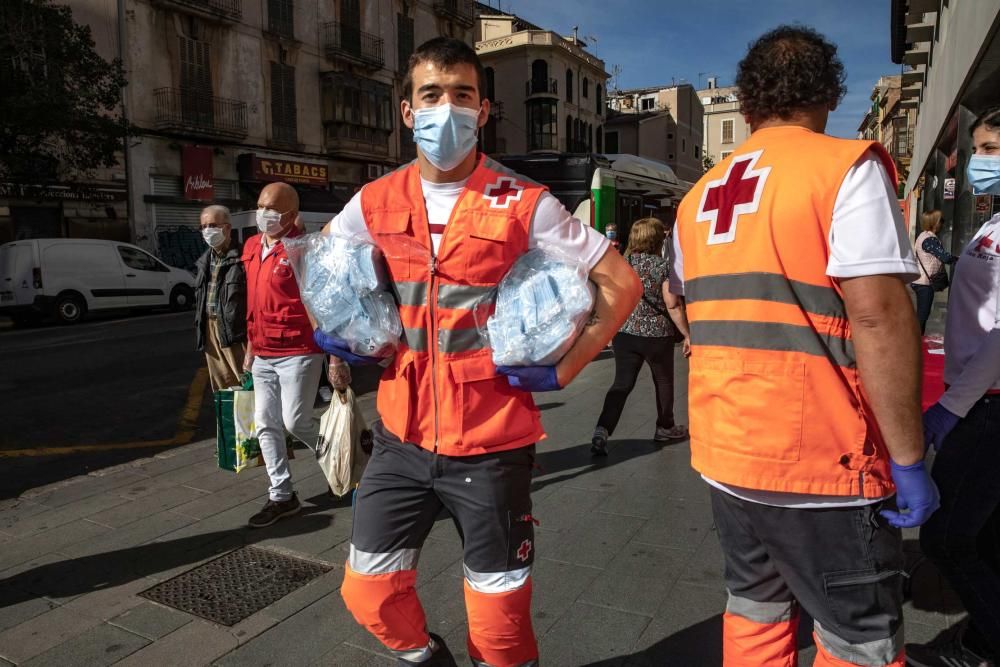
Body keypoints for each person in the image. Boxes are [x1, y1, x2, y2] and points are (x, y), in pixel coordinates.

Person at [316, 37, 642, 667]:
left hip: (491, 446)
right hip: (400, 440)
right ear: (408, 112)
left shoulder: (525, 202)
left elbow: (621, 284)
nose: (447, 108)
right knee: (368, 593)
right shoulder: (376, 200)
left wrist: (568, 366)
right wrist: (345, 327)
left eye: (462, 95)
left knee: (499, 629)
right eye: (431, 95)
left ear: (483, 110)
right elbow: (328, 263)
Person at [670, 26, 937, 667]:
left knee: (755, 611)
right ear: (827, 94)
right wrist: (908, 457)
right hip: (823, 456)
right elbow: (877, 319)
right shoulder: (843, 168)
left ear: (749, 101)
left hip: (726, 454)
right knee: (858, 636)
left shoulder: (697, 199)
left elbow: (693, 306)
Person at [906, 107, 1000, 667]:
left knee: (947, 539)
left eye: (990, 149)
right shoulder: (991, 224)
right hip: (979, 400)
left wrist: (951, 406)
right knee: (984, 535)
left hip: (986, 406)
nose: (977, 163)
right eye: (978, 150)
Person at [241, 182, 327, 528]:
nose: (264, 213)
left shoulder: (302, 248)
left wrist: (334, 358)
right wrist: (249, 348)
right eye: (261, 205)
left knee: (296, 421)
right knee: (266, 424)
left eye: (272, 208)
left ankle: (348, 456)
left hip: (299, 349)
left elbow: (319, 301)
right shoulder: (249, 246)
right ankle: (282, 495)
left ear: (292, 214)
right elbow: (254, 301)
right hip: (262, 351)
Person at [591, 217, 691, 456]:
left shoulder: (621, 264)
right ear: (657, 239)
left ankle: (602, 429)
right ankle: (665, 427)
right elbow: (673, 304)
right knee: (664, 381)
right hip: (658, 335)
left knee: (622, 383)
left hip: (625, 333)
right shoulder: (663, 266)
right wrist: (688, 334)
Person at [194, 205, 246, 391]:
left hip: (236, 332)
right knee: (222, 387)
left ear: (227, 227)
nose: (207, 231)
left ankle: (252, 421)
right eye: (204, 226)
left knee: (246, 385)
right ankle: (226, 420)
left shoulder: (244, 258)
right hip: (211, 329)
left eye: (213, 225)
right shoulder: (204, 261)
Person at [911, 209, 958, 334]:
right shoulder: (929, 240)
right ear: (934, 222)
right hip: (924, 283)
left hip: (920, 281)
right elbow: (945, 257)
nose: (943, 223)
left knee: (921, 315)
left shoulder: (923, 236)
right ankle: (917, 343)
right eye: (941, 220)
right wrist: (961, 260)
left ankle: (916, 340)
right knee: (922, 316)